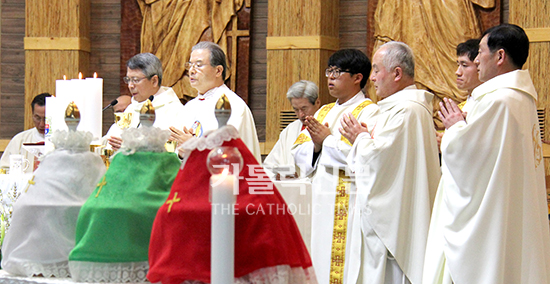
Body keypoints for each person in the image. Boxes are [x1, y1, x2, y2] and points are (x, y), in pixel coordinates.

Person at [424, 24, 550, 284]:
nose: (477, 59)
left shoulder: (497, 101)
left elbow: (467, 161)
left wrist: (455, 128)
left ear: (500, 56)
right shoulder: (521, 98)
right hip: (507, 204)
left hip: (491, 214)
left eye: (480, 52)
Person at [340, 41, 440, 284]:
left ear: (397, 73)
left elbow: (379, 161)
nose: (372, 78)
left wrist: (359, 137)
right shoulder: (399, 109)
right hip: (391, 217)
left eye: (376, 69)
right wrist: (364, 138)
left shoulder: (406, 110)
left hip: (394, 226)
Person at [291, 49, 379, 284]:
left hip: (346, 198)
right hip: (320, 196)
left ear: (358, 77)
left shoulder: (369, 111)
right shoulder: (323, 111)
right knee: (318, 252)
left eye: (337, 72)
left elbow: (363, 156)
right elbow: (299, 152)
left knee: (342, 260)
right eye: (329, 71)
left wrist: (326, 141)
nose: (330, 77)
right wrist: (318, 147)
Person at [172, 41, 261, 161]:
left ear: (218, 71)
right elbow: (179, 153)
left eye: (199, 65)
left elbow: (230, 154)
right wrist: (182, 153)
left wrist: (195, 146)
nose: (192, 71)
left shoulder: (231, 106)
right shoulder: (189, 107)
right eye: (190, 65)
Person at [105, 53, 185, 151]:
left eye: (135, 80)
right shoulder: (130, 109)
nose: (130, 86)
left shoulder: (174, 112)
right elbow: (109, 143)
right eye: (128, 80)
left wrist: (132, 150)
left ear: (154, 81)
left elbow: (175, 154)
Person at [263, 80, 320, 179]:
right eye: (296, 109)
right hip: (290, 189)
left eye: (304, 108)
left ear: (317, 103)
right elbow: (269, 166)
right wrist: (279, 175)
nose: (301, 114)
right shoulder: (290, 130)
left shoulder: (327, 125)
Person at [436, 39, 482, 148]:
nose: (457, 72)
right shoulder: (465, 105)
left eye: (465, 65)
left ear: (480, 66)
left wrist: (447, 142)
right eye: (458, 65)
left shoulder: (487, 104)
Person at [0, 92, 51, 173]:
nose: (42, 124)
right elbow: (4, 169)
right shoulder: (20, 140)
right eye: (37, 118)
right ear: (32, 115)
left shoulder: (63, 140)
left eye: (46, 119)